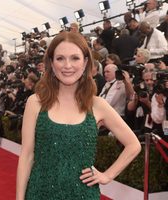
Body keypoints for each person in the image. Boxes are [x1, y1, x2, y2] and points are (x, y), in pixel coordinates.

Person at [16, 31, 141, 200]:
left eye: (75, 58)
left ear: (85, 63)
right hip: (40, 192)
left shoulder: (98, 105)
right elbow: (27, 156)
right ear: (51, 63)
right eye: (60, 58)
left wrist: (107, 175)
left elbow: (134, 145)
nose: (68, 65)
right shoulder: (35, 102)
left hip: (83, 194)